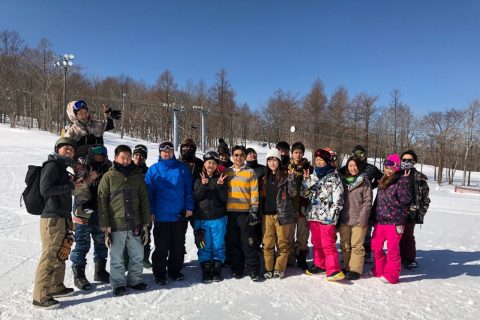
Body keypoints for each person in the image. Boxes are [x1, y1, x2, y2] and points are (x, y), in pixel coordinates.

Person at [98, 145, 150, 296]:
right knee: (117, 256)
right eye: (123, 158)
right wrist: (105, 225)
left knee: (137, 255)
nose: (126, 161)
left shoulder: (137, 176)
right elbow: (102, 202)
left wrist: (146, 224)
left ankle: (135, 280)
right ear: (115, 158)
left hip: (135, 223)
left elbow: (144, 200)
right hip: (116, 224)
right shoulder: (108, 177)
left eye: (129, 157)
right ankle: (118, 283)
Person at [32, 137, 79, 309]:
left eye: (72, 149)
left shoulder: (62, 168)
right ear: (57, 149)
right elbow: (45, 189)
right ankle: (40, 296)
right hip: (52, 217)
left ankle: (55, 286)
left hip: (62, 216)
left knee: (61, 252)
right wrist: (70, 186)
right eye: (65, 148)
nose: (69, 151)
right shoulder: (51, 165)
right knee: (50, 255)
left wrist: (72, 184)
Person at [145, 141, 194, 285]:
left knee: (178, 246)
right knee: (161, 247)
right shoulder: (153, 170)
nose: (167, 154)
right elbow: (149, 194)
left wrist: (189, 208)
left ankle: (174, 271)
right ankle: (160, 274)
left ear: (173, 152)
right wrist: (151, 211)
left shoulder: (182, 169)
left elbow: (188, 191)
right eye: (164, 151)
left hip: (179, 215)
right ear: (160, 153)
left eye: (169, 151)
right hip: (161, 216)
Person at [70, 144, 111, 290]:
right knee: (82, 244)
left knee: (101, 243)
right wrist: (89, 178)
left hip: (101, 213)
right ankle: (79, 275)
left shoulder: (109, 167)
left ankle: (100, 271)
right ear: (91, 156)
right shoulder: (82, 167)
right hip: (83, 213)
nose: (99, 158)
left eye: (101, 156)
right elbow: (74, 189)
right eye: (96, 156)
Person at [301, 148, 345, 281]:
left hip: (327, 218)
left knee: (328, 244)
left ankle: (333, 270)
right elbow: (304, 194)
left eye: (321, 160)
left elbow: (339, 200)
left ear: (327, 161)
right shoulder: (312, 175)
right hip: (313, 215)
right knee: (316, 242)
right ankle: (319, 265)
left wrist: (332, 216)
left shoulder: (334, 178)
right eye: (317, 160)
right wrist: (306, 181)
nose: (319, 162)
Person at [370, 154, 412, 284]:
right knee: (375, 246)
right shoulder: (383, 181)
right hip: (381, 221)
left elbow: (406, 200)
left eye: (391, 168)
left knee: (393, 249)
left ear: (397, 168)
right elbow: (378, 201)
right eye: (386, 167)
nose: (388, 170)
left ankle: (392, 275)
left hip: (395, 222)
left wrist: (405, 182)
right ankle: (379, 268)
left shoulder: (401, 181)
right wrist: (373, 216)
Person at [339, 145, 383, 262]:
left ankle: (366, 251)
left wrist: (372, 186)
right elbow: (338, 175)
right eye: (356, 153)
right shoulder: (347, 166)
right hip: (349, 202)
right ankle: (347, 256)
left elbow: (382, 178)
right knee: (348, 233)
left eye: (362, 154)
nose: (359, 156)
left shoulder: (370, 168)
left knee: (365, 228)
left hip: (364, 200)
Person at [224, 145, 261, 281]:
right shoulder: (227, 172)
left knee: (249, 243)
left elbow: (254, 192)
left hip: (245, 213)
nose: (238, 157)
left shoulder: (250, 172)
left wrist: (253, 210)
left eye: (241, 155)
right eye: (236, 155)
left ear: (245, 157)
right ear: (232, 157)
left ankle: (254, 270)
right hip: (230, 213)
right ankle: (237, 269)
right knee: (234, 243)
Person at [260, 148, 296, 279]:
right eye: (269, 160)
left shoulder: (286, 176)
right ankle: (268, 268)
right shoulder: (264, 177)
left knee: (282, 243)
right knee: (267, 243)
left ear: (279, 161)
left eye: (274, 159)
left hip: (282, 215)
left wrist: (292, 178)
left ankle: (279, 268)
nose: (272, 162)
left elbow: (292, 194)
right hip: (266, 215)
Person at [193, 151, 228, 282]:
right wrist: (203, 185)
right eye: (209, 163)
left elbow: (225, 198)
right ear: (204, 164)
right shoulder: (198, 178)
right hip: (202, 218)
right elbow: (196, 197)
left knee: (218, 244)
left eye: (214, 163)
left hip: (218, 218)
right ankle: (206, 270)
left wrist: (219, 186)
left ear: (217, 165)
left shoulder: (222, 179)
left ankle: (217, 270)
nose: (211, 165)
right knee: (204, 246)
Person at [338, 157, 373, 280]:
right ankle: (346, 266)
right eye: (351, 165)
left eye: (356, 165)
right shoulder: (343, 181)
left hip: (359, 220)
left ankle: (355, 269)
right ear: (347, 167)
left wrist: (363, 219)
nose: (353, 168)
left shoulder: (365, 181)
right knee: (345, 245)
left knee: (357, 245)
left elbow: (368, 202)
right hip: (344, 218)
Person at [399, 150, 430, 269]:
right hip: (394, 210)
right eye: (404, 160)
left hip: (411, 211)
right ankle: (396, 257)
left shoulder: (419, 178)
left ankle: (409, 258)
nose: (406, 162)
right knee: (395, 236)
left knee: (408, 235)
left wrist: (421, 211)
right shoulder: (395, 174)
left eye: (409, 160)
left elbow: (425, 198)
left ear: (414, 161)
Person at [286, 142, 311, 270]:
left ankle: (301, 257)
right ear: (292, 153)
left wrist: (307, 179)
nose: (298, 155)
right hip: (290, 206)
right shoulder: (287, 167)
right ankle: (290, 258)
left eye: (300, 152)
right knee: (289, 235)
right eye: (296, 152)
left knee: (303, 234)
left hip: (303, 206)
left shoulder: (308, 167)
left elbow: (312, 186)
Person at [132, 144, 153, 268]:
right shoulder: (127, 169)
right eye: (136, 155)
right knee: (129, 234)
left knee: (146, 233)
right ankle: (127, 258)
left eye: (141, 156)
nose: (139, 157)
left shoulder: (149, 171)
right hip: (130, 207)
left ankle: (144, 257)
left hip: (145, 207)